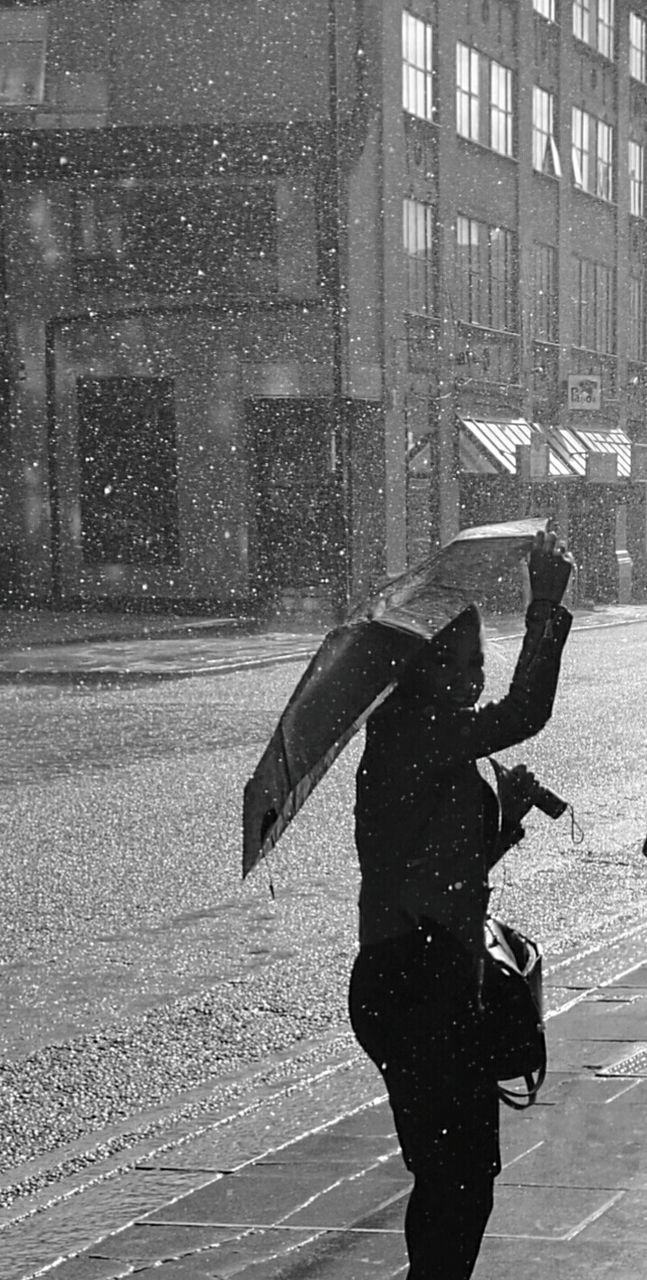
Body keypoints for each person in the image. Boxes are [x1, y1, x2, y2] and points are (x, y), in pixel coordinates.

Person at [348, 528, 573, 1280]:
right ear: (424, 666)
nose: (478, 678)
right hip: (412, 984)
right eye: (467, 662)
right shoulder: (410, 729)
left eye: (481, 663)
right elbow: (525, 712)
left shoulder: (431, 735)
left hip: (435, 976)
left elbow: (441, 870)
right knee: (457, 1176)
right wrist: (545, 608)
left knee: (462, 1173)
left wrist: (503, 825)